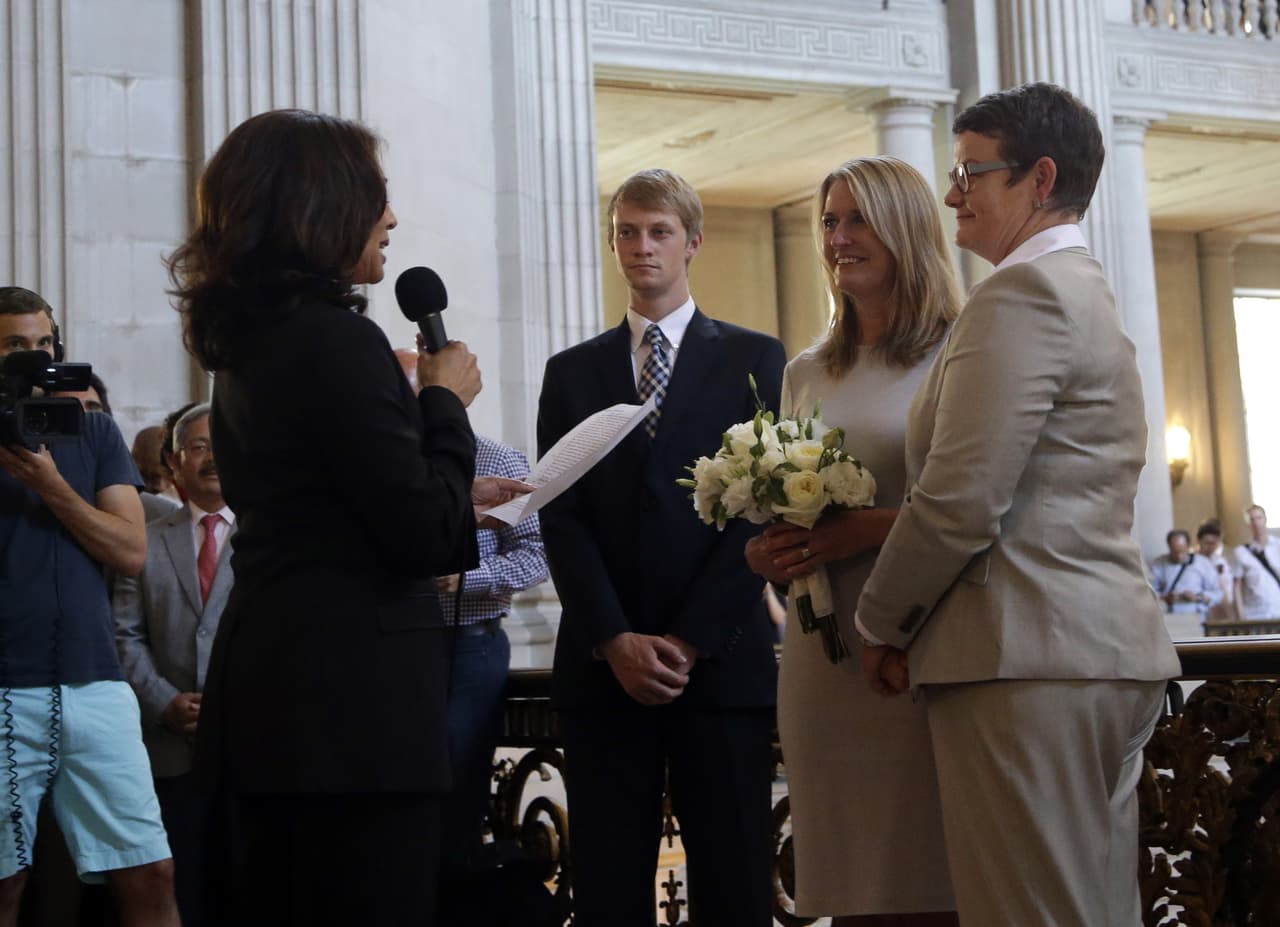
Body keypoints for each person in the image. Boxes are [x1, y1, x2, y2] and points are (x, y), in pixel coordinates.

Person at [166, 109, 522, 926]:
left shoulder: (252, 343)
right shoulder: (337, 339)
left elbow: (323, 504)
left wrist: (448, 486)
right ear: (321, 204)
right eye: (375, 194)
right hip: (353, 720)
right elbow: (422, 536)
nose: (390, 217)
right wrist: (444, 402)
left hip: (276, 697)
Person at [854, 83, 1181, 927]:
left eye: (971, 173)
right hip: (1092, 652)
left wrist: (880, 622)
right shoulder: (1083, 288)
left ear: (1040, 179)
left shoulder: (1020, 295)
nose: (952, 195)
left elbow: (958, 502)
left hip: (1028, 658)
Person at [537, 168, 785, 927]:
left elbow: (761, 509)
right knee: (608, 891)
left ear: (693, 242)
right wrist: (614, 638)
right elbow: (560, 515)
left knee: (736, 887)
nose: (641, 246)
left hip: (720, 662)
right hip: (604, 669)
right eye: (627, 231)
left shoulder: (755, 359)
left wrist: (691, 638)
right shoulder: (571, 371)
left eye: (659, 232)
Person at [745, 156, 960, 925]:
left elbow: (979, 510)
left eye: (859, 219)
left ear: (906, 226)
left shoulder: (958, 353)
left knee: (932, 881)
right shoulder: (806, 370)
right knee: (851, 889)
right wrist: (767, 552)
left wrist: (861, 530)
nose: (838, 237)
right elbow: (786, 506)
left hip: (919, 643)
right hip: (822, 654)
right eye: (830, 221)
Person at [0, 286, 179, 926]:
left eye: (43, 344)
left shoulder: (95, 430)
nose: (33, 357)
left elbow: (130, 550)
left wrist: (50, 485)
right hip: (4, 687)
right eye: (15, 346)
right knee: (5, 882)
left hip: (94, 682)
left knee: (150, 870)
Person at [114, 403, 233, 927]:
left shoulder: (270, 539)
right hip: (166, 749)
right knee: (177, 888)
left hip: (248, 748)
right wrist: (163, 701)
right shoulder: (146, 538)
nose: (212, 458)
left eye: (221, 445)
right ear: (174, 461)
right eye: (199, 447)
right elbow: (124, 633)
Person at [1149, 528, 1220, 617]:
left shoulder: (1203, 563)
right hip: (1168, 616)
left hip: (1196, 617)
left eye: (1182, 551)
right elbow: (1149, 593)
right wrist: (1166, 598)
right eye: (1175, 552)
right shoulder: (1158, 564)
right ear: (1169, 547)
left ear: (1188, 546)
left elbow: (1217, 594)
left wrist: (1198, 598)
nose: (1179, 556)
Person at [1233, 504, 1280, 620]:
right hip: (1255, 613)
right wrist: (1240, 614)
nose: (1256, 523)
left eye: (1259, 518)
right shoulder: (1241, 552)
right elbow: (1237, 585)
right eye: (1252, 519)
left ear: (1265, 519)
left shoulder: (1277, 546)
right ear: (1248, 524)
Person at [1195, 519, 1234, 622]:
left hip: (1221, 612)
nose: (1210, 547)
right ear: (1198, 541)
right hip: (1199, 611)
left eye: (1214, 543)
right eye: (1207, 543)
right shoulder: (1192, 562)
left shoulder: (1220, 562)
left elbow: (1225, 589)